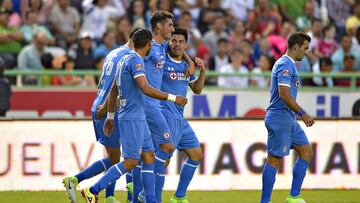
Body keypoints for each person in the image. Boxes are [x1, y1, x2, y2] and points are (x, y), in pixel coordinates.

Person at [81, 28, 187, 203]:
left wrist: (109, 116)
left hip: (138, 116)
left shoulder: (124, 59)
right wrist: (173, 98)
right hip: (132, 117)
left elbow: (114, 88)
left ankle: (151, 200)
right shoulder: (136, 62)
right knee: (130, 161)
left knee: (149, 156)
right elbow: (145, 88)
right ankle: (92, 190)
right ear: (147, 44)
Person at [62, 28, 141, 203]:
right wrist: (108, 108)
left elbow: (104, 81)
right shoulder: (129, 57)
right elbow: (116, 84)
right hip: (109, 108)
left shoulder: (113, 53)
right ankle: (77, 181)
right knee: (128, 156)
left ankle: (108, 196)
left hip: (100, 104)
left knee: (115, 157)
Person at [141, 11, 195, 203]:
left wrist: (190, 61)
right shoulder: (147, 46)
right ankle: (149, 196)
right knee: (158, 153)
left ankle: (153, 195)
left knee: (149, 154)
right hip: (156, 107)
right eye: (170, 26)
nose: (172, 31)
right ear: (159, 27)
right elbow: (132, 54)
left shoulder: (162, 47)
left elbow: (196, 88)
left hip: (168, 111)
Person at [260, 32, 315, 203]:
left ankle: (294, 196)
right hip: (279, 118)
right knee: (274, 159)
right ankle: (265, 201)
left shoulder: (289, 65)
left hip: (288, 118)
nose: (306, 52)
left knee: (306, 151)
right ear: (296, 46)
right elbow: (284, 94)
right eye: (305, 48)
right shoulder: (284, 64)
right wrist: (303, 113)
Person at [159, 28, 205, 203]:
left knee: (196, 154)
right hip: (165, 115)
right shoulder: (162, 58)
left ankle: (179, 196)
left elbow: (198, 90)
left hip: (180, 118)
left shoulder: (186, 66)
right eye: (174, 41)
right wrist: (189, 59)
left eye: (180, 42)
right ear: (169, 41)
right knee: (163, 160)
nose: (176, 44)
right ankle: (148, 195)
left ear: (186, 44)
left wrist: (202, 71)